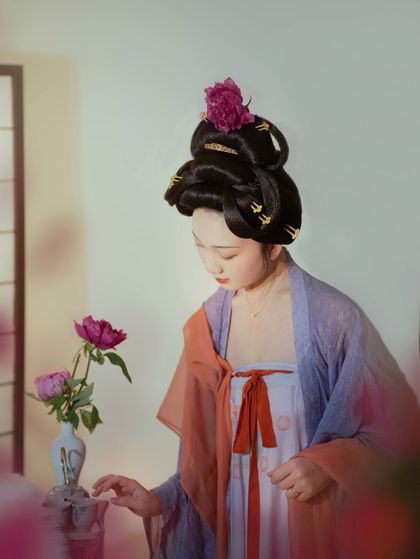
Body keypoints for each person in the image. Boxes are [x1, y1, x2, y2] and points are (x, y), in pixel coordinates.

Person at [93, 78, 420, 559]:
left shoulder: (334, 320)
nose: (212, 265)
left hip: (314, 534)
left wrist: (329, 464)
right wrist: (158, 499)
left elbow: (399, 432)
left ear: (273, 243)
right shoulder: (208, 326)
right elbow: (206, 465)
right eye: (200, 247)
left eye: (226, 252)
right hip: (236, 534)